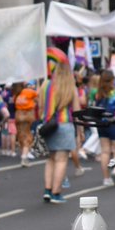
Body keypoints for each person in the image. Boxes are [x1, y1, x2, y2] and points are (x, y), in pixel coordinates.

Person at [41, 47, 80, 204]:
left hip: (48, 125)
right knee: (62, 159)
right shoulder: (70, 87)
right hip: (64, 125)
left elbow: (40, 105)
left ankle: (47, 189)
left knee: (50, 159)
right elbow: (76, 110)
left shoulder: (46, 86)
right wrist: (81, 131)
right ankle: (56, 192)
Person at [13, 81, 38, 166]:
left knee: (21, 136)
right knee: (28, 137)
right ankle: (24, 156)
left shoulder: (16, 94)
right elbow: (38, 97)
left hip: (18, 116)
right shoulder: (28, 91)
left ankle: (24, 154)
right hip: (27, 115)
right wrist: (34, 104)